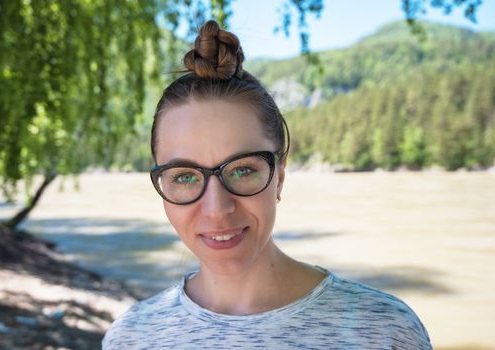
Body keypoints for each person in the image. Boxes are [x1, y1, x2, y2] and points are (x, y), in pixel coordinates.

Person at [102, 20, 432, 350]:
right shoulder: (132, 337)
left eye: (243, 170)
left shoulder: (384, 331)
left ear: (280, 177)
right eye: (185, 176)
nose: (218, 210)